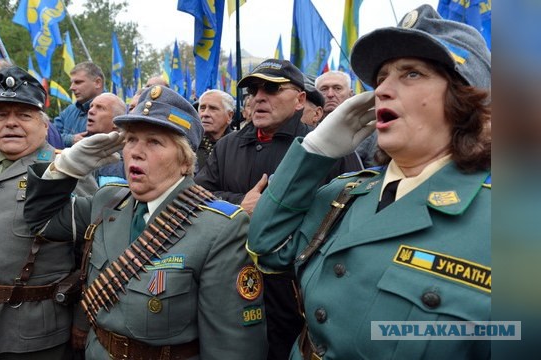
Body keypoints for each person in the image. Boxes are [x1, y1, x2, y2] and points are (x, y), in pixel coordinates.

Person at [247, 4, 491, 359]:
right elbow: (266, 249)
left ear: (466, 96)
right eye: (381, 79)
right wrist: (315, 151)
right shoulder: (346, 193)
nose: (382, 91)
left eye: (411, 74)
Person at [23, 85, 268, 360]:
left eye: (154, 142)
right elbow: (41, 221)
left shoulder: (220, 228)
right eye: (130, 140)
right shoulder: (107, 201)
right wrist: (67, 167)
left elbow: (231, 347)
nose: (136, 152)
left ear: (185, 160)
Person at [195, 59, 362, 360]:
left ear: (300, 99)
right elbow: (197, 196)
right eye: (254, 89)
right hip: (230, 278)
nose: (259, 96)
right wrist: (238, 204)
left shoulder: (324, 148)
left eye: (272, 89)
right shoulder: (227, 146)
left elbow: (351, 210)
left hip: (295, 289)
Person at [0, 66, 98, 359]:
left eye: (24, 115)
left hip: (31, 337)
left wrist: (83, 319)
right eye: (1, 115)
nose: (11, 123)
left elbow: (93, 255)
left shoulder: (67, 173)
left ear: (45, 126)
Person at [315, 70, 377, 167]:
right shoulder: (306, 126)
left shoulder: (370, 129)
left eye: (337, 88)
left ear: (350, 94)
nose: (330, 94)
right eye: (324, 89)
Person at [54, 61, 105, 147]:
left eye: (78, 82)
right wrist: (70, 139)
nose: (71, 88)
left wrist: (64, 139)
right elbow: (48, 135)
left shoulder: (113, 111)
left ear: (97, 83)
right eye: (72, 83)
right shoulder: (69, 111)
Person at [85, 92, 128, 186]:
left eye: (100, 108)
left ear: (116, 122)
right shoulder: (79, 150)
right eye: (91, 106)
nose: (91, 111)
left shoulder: (126, 159)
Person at [196, 89, 234, 171]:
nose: (205, 114)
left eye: (213, 108)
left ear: (229, 116)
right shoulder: (189, 144)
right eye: (202, 108)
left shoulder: (239, 146)